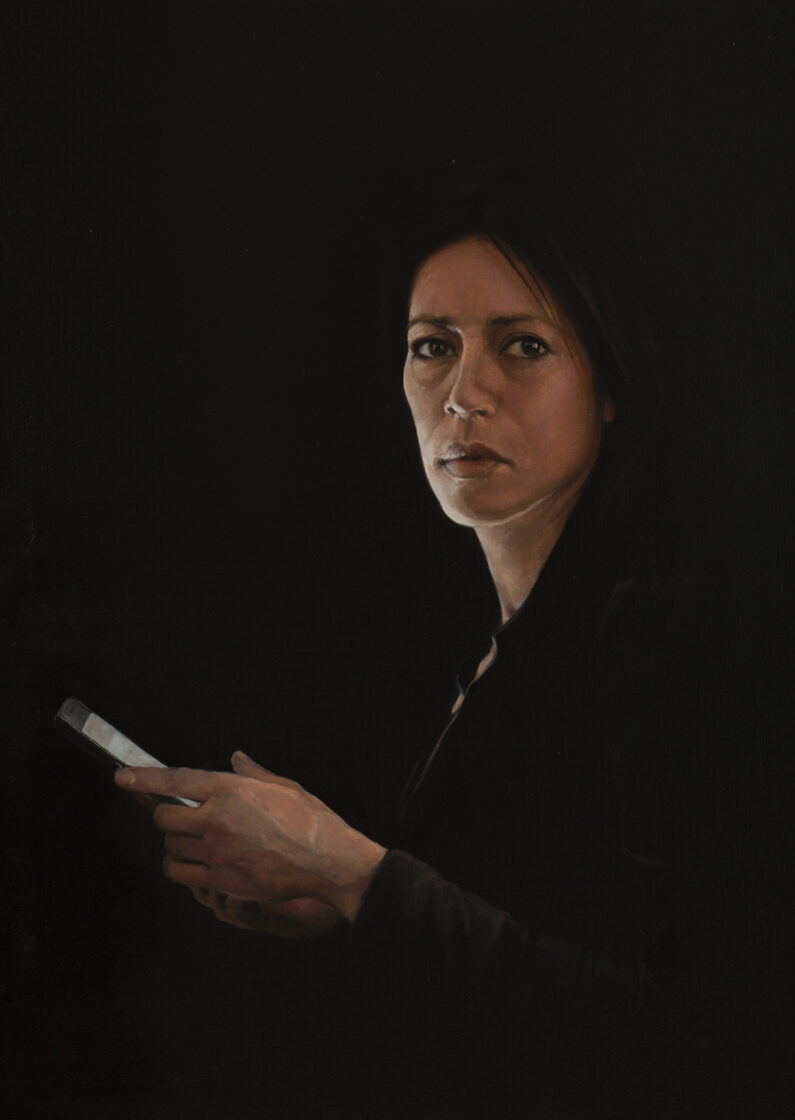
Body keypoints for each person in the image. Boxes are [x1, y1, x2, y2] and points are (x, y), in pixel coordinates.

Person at [114, 214, 717, 1108]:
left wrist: (352, 875)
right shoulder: (500, 651)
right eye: (432, 347)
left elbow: (688, 1038)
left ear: (609, 385)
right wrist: (329, 905)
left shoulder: (658, 640)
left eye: (523, 346)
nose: (463, 395)